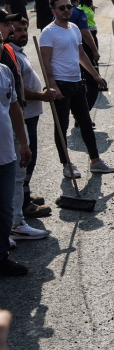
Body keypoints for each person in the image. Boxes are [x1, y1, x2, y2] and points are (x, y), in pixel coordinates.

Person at [38, 0, 113, 178]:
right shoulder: (48, 33)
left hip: (77, 82)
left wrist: (95, 75)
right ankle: (67, 164)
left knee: (86, 123)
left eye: (68, 6)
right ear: (53, 10)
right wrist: (52, 85)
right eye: (61, 8)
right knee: (61, 126)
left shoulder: (74, 28)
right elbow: (45, 62)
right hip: (61, 85)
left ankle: (95, 161)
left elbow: (81, 55)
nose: (66, 10)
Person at [10, 17, 55, 226]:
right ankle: (23, 204)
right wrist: (42, 95)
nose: (22, 34)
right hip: (24, 115)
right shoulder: (10, 55)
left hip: (31, 114)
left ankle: (25, 195)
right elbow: (18, 91)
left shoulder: (18, 51)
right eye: (17, 30)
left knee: (30, 160)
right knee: (26, 159)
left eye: (24, 30)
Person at [0, 45, 31, 277]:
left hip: (6, 153)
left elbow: (13, 108)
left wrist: (23, 142)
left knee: (6, 208)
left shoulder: (4, 71)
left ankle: (2, 257)